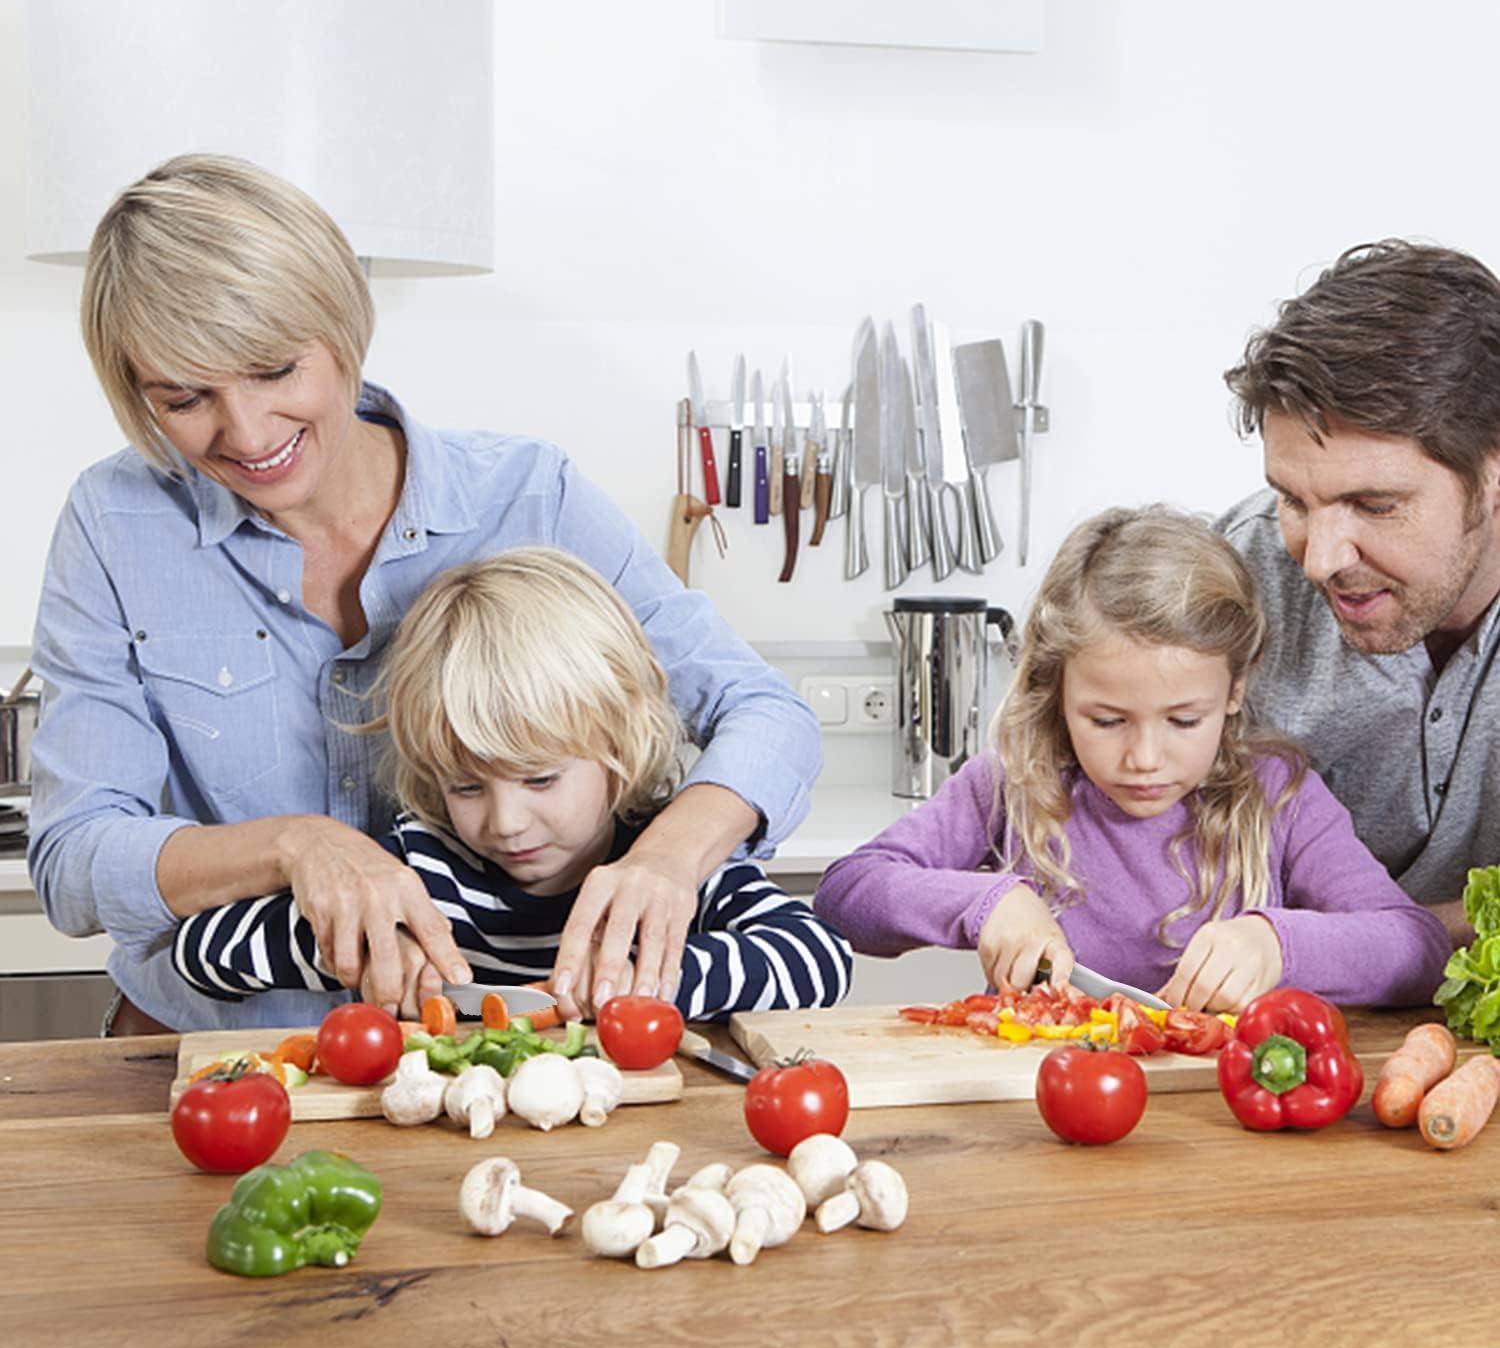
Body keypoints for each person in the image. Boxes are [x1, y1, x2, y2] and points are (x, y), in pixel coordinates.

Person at [27, 153, 822, 1035]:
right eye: (184, 399)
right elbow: (72, 860)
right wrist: (297, 847)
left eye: (276, 371)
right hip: (216, 1056)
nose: (246, 433)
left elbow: (763, 711)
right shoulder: (115, 524)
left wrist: (671, 857)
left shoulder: (530, 498)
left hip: (479, 1071)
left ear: (344, 329)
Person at [813, 505, 1451, 1014]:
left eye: (1183, 721)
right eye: (1107, 720)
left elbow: (1416, 948)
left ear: (1234, 690)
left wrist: (1277, 944)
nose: (1144, 758)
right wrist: (986, 903)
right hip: (1044, 1106)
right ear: (1058, 688)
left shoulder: (1279, 793)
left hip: (1224, 1121)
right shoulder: (1016, 782)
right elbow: (846, 895)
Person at [171, 548, 851, 1020]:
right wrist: (368, 948)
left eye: (540, 778)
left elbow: (820, 959)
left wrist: (643, 983)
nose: (505, 823)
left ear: (619, 746)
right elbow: (201, 953)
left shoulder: (669, 877)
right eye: (467, 788)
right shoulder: (421, 874)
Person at [1219, 239, 1500, 939]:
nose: (1320, 558)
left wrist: (1368, 945)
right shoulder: (1228, 582)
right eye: (1293, 499)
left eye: (1374, 505)